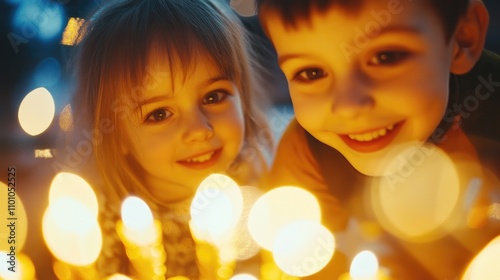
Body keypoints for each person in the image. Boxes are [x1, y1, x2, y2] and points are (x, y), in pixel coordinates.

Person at [257, 0, 500, 279]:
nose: (348, 105)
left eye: (386, 56)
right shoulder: (305, 157)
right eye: (311, 73)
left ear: (462, 39)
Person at [68, 0, 273, 278]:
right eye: (160, 114)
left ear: (243, 96)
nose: (199, 130)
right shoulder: (104, 223)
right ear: (116, 137)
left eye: (213, 96)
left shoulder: (260, 188)